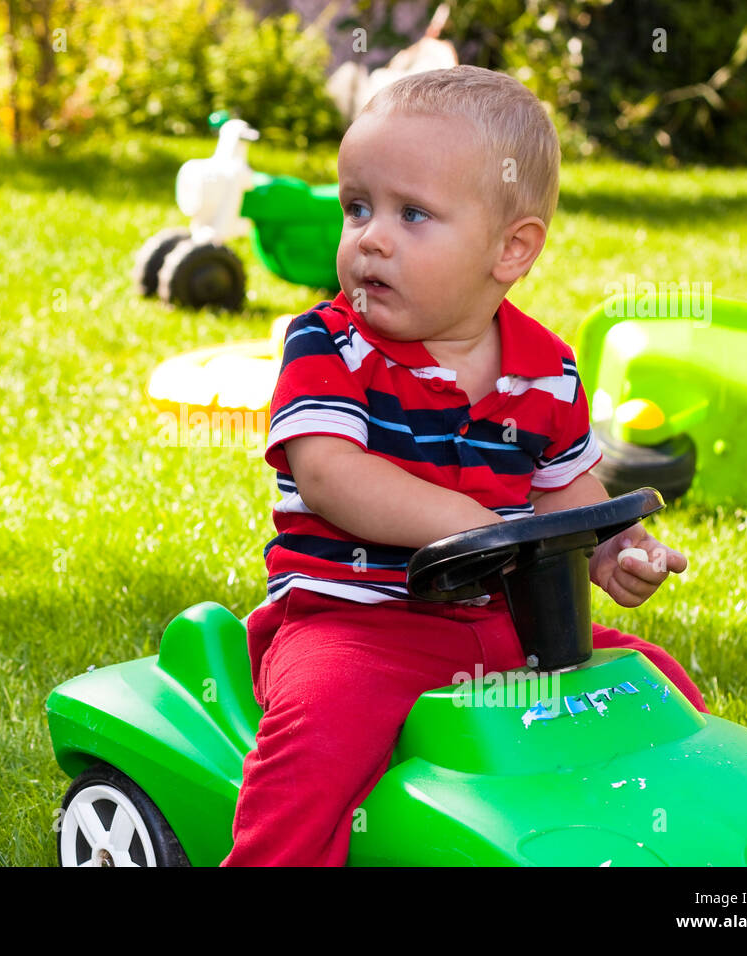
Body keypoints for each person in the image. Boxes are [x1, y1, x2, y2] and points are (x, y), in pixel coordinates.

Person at [221, 65, 706, 867]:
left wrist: (614, 547)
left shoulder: (546, 367)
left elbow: (566, 492)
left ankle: (674, 842)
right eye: (357, 207)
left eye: (413, 214)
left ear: (510, 250)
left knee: (651, 684)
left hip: (511, 626)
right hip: (357, 623)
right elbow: (330, 473)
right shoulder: (330, 344)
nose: (370, 236)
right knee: (320, 731)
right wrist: (477, 526)